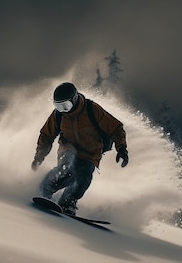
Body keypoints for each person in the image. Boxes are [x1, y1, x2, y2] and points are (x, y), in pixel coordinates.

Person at [31, 82, 129, 215]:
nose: (63, 110)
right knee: (66, 168)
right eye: (58, 106)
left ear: (75, 99)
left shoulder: (92, 110)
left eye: (66, 106)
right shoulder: (58, 115)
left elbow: (116, 128)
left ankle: (68, 202)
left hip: (90, 154)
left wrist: (121, 148)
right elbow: (46, 135)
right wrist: (39, 156)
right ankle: (44, 189)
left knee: (83, 177)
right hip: (67, 148)